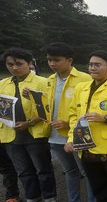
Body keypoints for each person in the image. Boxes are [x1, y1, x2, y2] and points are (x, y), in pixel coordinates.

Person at [65, 50, 107, 202]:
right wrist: (71, 139)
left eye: (97, 65)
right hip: (86, 148)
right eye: (90, 65)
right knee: (99, 190)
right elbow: (73, 115)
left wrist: (106, 118)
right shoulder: (81, 88)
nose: (92, 68)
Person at [0, 48, 57, 202]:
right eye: (10, 64)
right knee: (23, 171)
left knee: (43, 170)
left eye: (19, 64)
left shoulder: (43, 82)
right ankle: (33, 197)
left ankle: (49, 197)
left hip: (35, 134)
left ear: (29, 63)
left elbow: (49, 109)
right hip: (11, 135)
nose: (14, 67)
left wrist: (29, 122)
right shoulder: (2, 84)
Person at [42, 42, 95, 202]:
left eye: (56, 60)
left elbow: (89, 107)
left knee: (87, 172)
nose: (52, 64)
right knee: (70, 171)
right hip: (55, 135)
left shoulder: (85, 78)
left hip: (78, 134)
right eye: (49, 60)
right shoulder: (50, 80)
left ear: (69, 60)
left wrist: (68, 123)